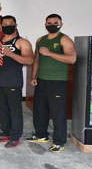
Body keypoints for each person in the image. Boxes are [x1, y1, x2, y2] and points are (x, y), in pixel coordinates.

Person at [28, 13, 75, 153]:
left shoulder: (65, 39)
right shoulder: (40, 40)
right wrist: (34, 76)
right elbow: (37, 59)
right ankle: (41, 135)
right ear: (45, 25)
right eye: (49, 23)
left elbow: (72, 59)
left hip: (57, 81)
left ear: (61, 24)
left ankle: (59, 141)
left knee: (58, 112)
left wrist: (50, 53)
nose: (52, 25)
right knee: (40, 110)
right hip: (42, 80)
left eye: (55, 23)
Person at [0, 14, 33, 148]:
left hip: (13, 81)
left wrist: (11, 54)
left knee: (15, 110)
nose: (8, 27)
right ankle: (5, 133)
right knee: (1, 109)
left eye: (10, 24)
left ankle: (15, 136)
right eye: (5, 25)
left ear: (16, 26)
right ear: (1, 27)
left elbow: (30, 60)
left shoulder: (22, 42)